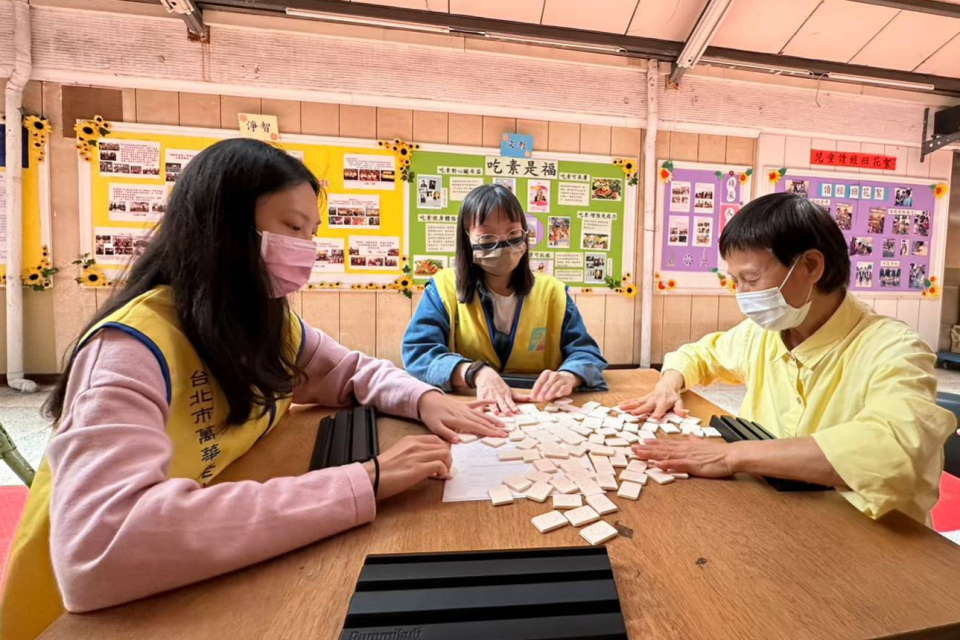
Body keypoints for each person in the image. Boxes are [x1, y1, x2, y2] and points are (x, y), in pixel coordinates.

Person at [0, 139, 507, 640]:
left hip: (196, 576)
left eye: (312, 233)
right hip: (84, 618)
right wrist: (364, 480)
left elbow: (351, 371)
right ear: (223, 228)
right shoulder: (128, 349)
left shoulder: (266, 322)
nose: (306, 250)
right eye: (291, 228)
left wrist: (424, 398)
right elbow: (100, 548)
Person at [620, 192, 955, 524]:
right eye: (735, 281)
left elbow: (891, 450)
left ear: (810, 265)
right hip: (774, 518)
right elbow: (700, 354)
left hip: (871, 543)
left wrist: (731, 455)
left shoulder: (895, 350)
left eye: (751, 279)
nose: (743, 295)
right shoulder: (762, 334)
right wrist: (669, 382)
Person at [402, 184, 607, 414]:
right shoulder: (442, 289)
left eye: (513, 234)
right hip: (470, 409)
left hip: (538, 410)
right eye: (487, 237)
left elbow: (587, 353)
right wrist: (473, 372)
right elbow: (418, 352)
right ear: (467, 239)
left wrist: (571, 375)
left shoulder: (553, 292)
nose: (502, 245)